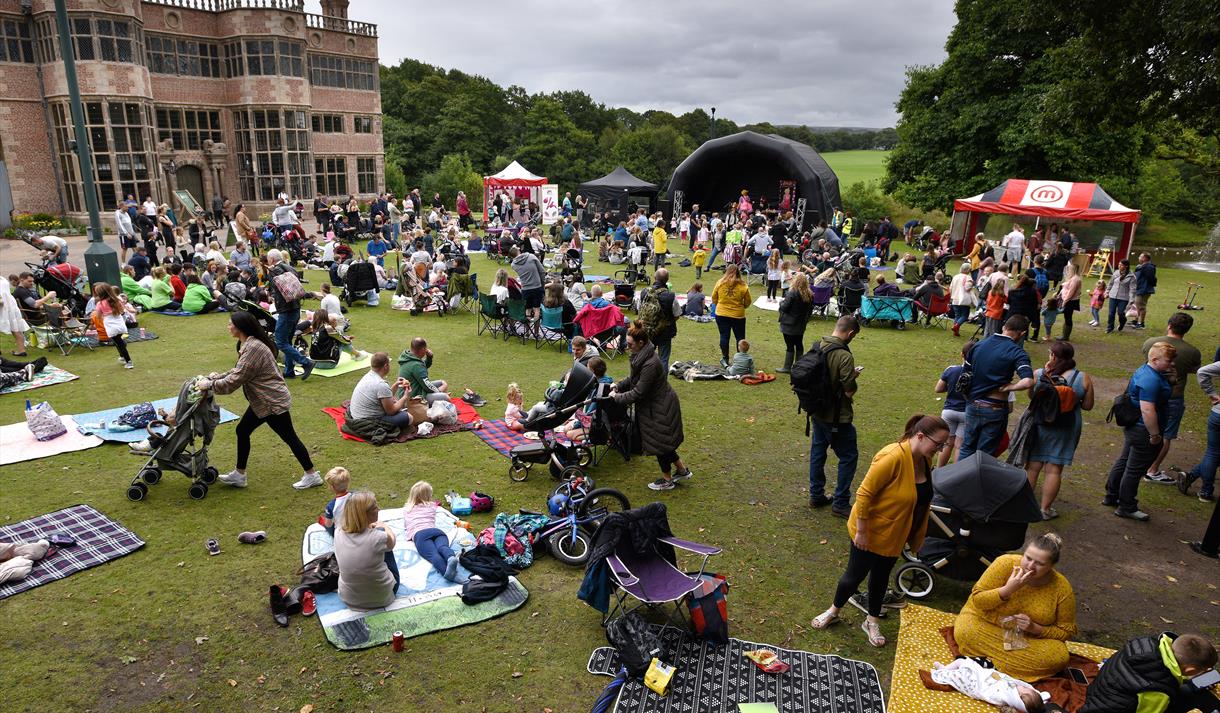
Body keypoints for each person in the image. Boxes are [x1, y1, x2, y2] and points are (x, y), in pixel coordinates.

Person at [811, 414, 947, 647]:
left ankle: (871, 620)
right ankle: (833, 611)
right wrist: (862, 532)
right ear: (921, 436)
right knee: (854, 575)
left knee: (881, 577)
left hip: (895, 533)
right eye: (939, 444)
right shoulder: (892, 457)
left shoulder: (923, 460)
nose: (941, 448)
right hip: (871, 531)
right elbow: (864, 494)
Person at [196, 311, 323, 490]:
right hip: (264, 401)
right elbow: (237, 371)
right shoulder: (248, 344)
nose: (228, 326)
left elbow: (235, 380)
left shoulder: (253, 348)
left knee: (288, 437)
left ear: (240, 327)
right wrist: (217, 377)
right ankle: (239, 474)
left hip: (271, 402)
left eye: (230, 323)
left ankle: (312, 475)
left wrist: (209, 385)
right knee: (243, 430)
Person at [953, 533, 1077, 681]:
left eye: (1039, 563)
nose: (1030, 566)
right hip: (985, 624)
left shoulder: (1061, 588)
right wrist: (1008, 590)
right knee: (966, 632)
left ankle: (984, 663)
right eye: (1028, 558)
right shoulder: (1004, 564)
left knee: (1059, 656)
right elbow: (978, 602)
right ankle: (1008, 669)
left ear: (1051, 566)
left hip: (1028, 639)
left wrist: (1034, 628)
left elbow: (1065, 631)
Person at [611, 322, 690, 491]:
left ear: (641, 343)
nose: (627, 347)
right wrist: (619, 385)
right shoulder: (642, 356)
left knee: (659, 443)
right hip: (655, 405)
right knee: (664, 442)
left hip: (660, 407)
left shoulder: (650, 364)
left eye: (630, 344)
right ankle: (682, 470)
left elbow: (639, 391)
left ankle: (667, 480)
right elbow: (634, 378)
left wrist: (617, 398)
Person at [1105, 341, 1176, 521]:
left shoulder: (1148, 371)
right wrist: (1155, 435)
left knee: (1124, 461)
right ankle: (1126, 506)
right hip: (1143, 430)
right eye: (1168, 360)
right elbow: (1147, 410)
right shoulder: (1150, 379)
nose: (1172, 364)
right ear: (1154, 359)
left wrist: (1171, 381)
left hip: (1135, 427)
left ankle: (1112, 495)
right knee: (1134, 469)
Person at [1024, 341, 1094, 520]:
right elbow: (1087, 406)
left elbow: (1031, 396)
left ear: (1053, 356)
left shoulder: (1039, 374)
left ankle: (1025, 506)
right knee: (1054, 470)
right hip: (1067, 426)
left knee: (1033, 466)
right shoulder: (1082, 378)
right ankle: (1045, 510)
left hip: (1040, 423)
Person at [1079, 632, 1217, 713]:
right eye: (1202, 671)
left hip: (1097, 696)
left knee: (1192, 690)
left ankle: (1194, 686)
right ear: (1190, 670)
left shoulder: (1145, 643)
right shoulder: (1157, 692)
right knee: (1197, 697)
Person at [958, 315, 1035, 460]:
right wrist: (1010, 387)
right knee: (985, 453)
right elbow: (1028, 381)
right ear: (1022, 333)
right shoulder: (1017, 352)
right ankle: (977, 482)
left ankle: (958, 481)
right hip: (995, 407)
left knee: (967, 447)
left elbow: (964, 375)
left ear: (1004, 327)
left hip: (973, 405)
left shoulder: (979, 345)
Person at [808, 315, 862, 517]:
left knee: (817, 452)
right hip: (837, 416)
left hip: (816, 411)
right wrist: (852, 378)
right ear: (850, 333)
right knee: (848, 456)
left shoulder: (817, 345)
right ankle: (840, 502)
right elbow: (849, 391)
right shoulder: (844, 356)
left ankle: (816, 495)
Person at [1140, 313, 1202, 486]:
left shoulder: (1151, 342)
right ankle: (1152, 470)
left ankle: (1139, 463)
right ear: (1187, 330)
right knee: (1166, 435)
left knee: (1146, 427)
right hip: (1173, 396)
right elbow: (1194, 369)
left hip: (1148, 393)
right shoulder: (1192, 351)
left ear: (1169, 325)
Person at [334, 491, 398, 610]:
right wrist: (384, 526)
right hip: (382, 597)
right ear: (364, 514)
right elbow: (392, 542)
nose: (378, 508)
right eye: (374, 507)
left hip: (349, 598)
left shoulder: (338, 531)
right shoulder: (378, 537)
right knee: (387, 546)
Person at [266, 249, 315, 380]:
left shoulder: (274, 270)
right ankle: (289, 371)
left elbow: (275, 287)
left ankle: (306, 362)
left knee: (280, 341)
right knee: (287, 340)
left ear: (271, 259)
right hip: (295, 308)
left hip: (285, 310)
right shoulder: (290, 268)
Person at [403, 481, 466, 582]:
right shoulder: (432, 506)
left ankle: (449, 574)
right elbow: (435, 504)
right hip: (437, 532)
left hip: (420, 534)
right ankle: (450, 557)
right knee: (442, 547)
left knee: (433, 555)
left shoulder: (407, 510)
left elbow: (407, 526)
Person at [1179, 357, 1220, 503]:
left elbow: (1202, 372)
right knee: (1214, 453)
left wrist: (1212, 394)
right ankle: (1205, 491)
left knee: (1214, 453)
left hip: (1217, 414)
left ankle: (1193, 477)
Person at [934, 341, 976, 467]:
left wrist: (952, 387)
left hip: (949, 411)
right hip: (966, 412)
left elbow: (938, 389)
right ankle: (954, 475)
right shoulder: (978, 375)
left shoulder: (951, 370)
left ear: (961, 355)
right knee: (959, 446)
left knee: (947, 443)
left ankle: (938, 470)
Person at [349, 352, 415, 428]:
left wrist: (395, 385)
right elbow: (391, 411)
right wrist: (405, 397)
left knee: (397, 403)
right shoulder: (381, 385)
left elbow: (384, 396)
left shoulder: (368, 375)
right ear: (386, 366)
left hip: (357, 416)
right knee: (409, 417)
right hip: (367, 422)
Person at [710, 264, 752, 367]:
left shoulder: (720, 283)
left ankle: (725, 358)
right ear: (738, 272)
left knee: (724, 336)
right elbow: (748, 301)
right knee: (740, 337)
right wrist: (741, 306)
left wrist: (720, 304)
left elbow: (714, 298)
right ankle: (741, 359)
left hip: (721, 313)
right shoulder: (743, 286)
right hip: (738, 315)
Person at [641, 269, 680, 371]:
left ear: (655, 278)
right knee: (663, 359)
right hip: (665, 332)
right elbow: (677, 314)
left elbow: (640, 310)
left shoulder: (644, 292)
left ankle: (646, 380)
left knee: (646, 358)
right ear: (667, 280)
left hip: (647, 330)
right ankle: (661, 384)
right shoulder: (670, 296)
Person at [776, 272, 813, 373]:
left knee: (790, 345)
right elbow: (810, 311)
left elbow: (784, 307)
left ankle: (787, 367)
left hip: (789, 323)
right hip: (801, 323)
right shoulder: (809, 294)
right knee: (799, 344)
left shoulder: (792, 293)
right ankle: (799, 366)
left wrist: (781, 302)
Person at [91, 283, 133, 369]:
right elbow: (122, 311)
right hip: (119, 322)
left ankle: (128, 361)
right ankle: (122, 356)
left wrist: (105, 316)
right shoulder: (116, 300)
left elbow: (98, 316)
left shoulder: (100, 304)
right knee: (118, 340)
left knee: (119, 343)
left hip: (110, 324)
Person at [395, 337, 448, 403]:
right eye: (425, 348)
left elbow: (423, 368)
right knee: (446, 397)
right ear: (422, 349)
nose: (427, 350)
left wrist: (429, 357)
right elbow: (427, 386)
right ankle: (434, 409)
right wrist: (439, 392)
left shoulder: (410, 356)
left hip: (411, 391)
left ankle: (435, 405)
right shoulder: (416, 365)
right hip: (412, 397)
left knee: (442, 383)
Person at [509, 247, 545, 322]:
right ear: (518, 251)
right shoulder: (531, 257)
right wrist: (542, 283)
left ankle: (528, 331)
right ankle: (535, 331)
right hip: (537, 287)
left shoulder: (513, 265)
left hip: (525, 289)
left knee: (528, 309)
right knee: (537, 308)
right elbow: (542, 271)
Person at [0, 274, 30, 356]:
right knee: (15, 328)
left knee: (14, 328)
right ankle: (22, 350)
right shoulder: (3, 279)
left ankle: (21, 351)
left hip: (4, 306)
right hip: (11, 304)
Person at [1105, 259, 1136, 333]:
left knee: (1121, 313)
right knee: (1111, 313)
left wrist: (1131, 300)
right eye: (1119, 264)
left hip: (1124, 298)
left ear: (1126, 266)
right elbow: (1110, 283)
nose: (1119, 266)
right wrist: (1107, 292)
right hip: (1113, 296)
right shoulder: (1116, 273)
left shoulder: (1132, 276)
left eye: (1121, 265)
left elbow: (1133, 289)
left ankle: (1122, 322)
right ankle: (1110, 328)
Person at [320, 466, 350, 536]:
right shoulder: (357, 497)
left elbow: (328, 524)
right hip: (358, 528)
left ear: (332, 487)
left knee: (323, 520)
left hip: (343, 535)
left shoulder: (331, 506)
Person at [1131, 252, 1157, 329]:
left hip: (1144, 290)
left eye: (1140, 256)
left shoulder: (1149, 267)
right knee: (1136, 305)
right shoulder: (1141, 266)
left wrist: (1146, 287)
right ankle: (1135, 321)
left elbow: (1151, 279)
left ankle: (1141, 324)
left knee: (1141, 306)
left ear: (1144, 258)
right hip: (1139, 289)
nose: (1138, 258)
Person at [1057, 263, 1081, 341]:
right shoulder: (1073, 278)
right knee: (1067, 317)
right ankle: (1064, 335)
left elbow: (1071, 292)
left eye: (1070, 268)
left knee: (1068, 317)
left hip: (1070, 301)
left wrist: (1065, 301)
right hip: (1068, 300)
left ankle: (1065, 336)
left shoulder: (1075, 279)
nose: (1068, 270)